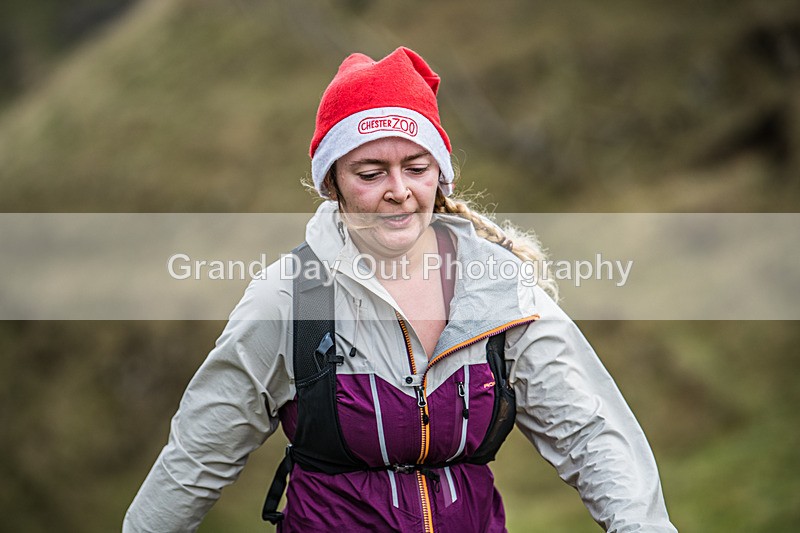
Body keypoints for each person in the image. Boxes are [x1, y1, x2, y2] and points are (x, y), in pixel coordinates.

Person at [123, 47, 677, 532]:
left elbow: (590, 433)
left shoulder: (499, 289)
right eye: (370, 174)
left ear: (441, 175)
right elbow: (196, 459)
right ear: (332, 182)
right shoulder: (290, 300)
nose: (398, 191)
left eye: (416, 168)